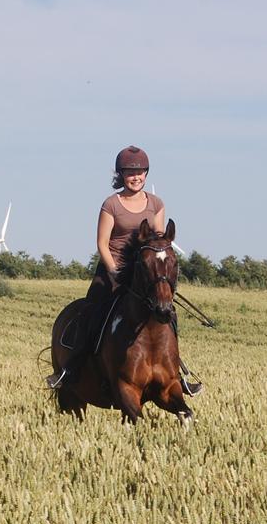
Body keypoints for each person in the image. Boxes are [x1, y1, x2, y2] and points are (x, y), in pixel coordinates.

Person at [47, 145, 202, 396]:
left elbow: (158, 240)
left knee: (167, 314)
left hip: (144, 273)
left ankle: (178, 373)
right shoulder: (111, 204)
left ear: (147, 174)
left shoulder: (156, 204)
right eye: (130, 172)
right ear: (121, 175)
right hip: (113, 269)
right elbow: (102, 243)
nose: (136, 177)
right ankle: (70, 369)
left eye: (140, 172)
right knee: (94, 313)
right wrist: (115, 271)